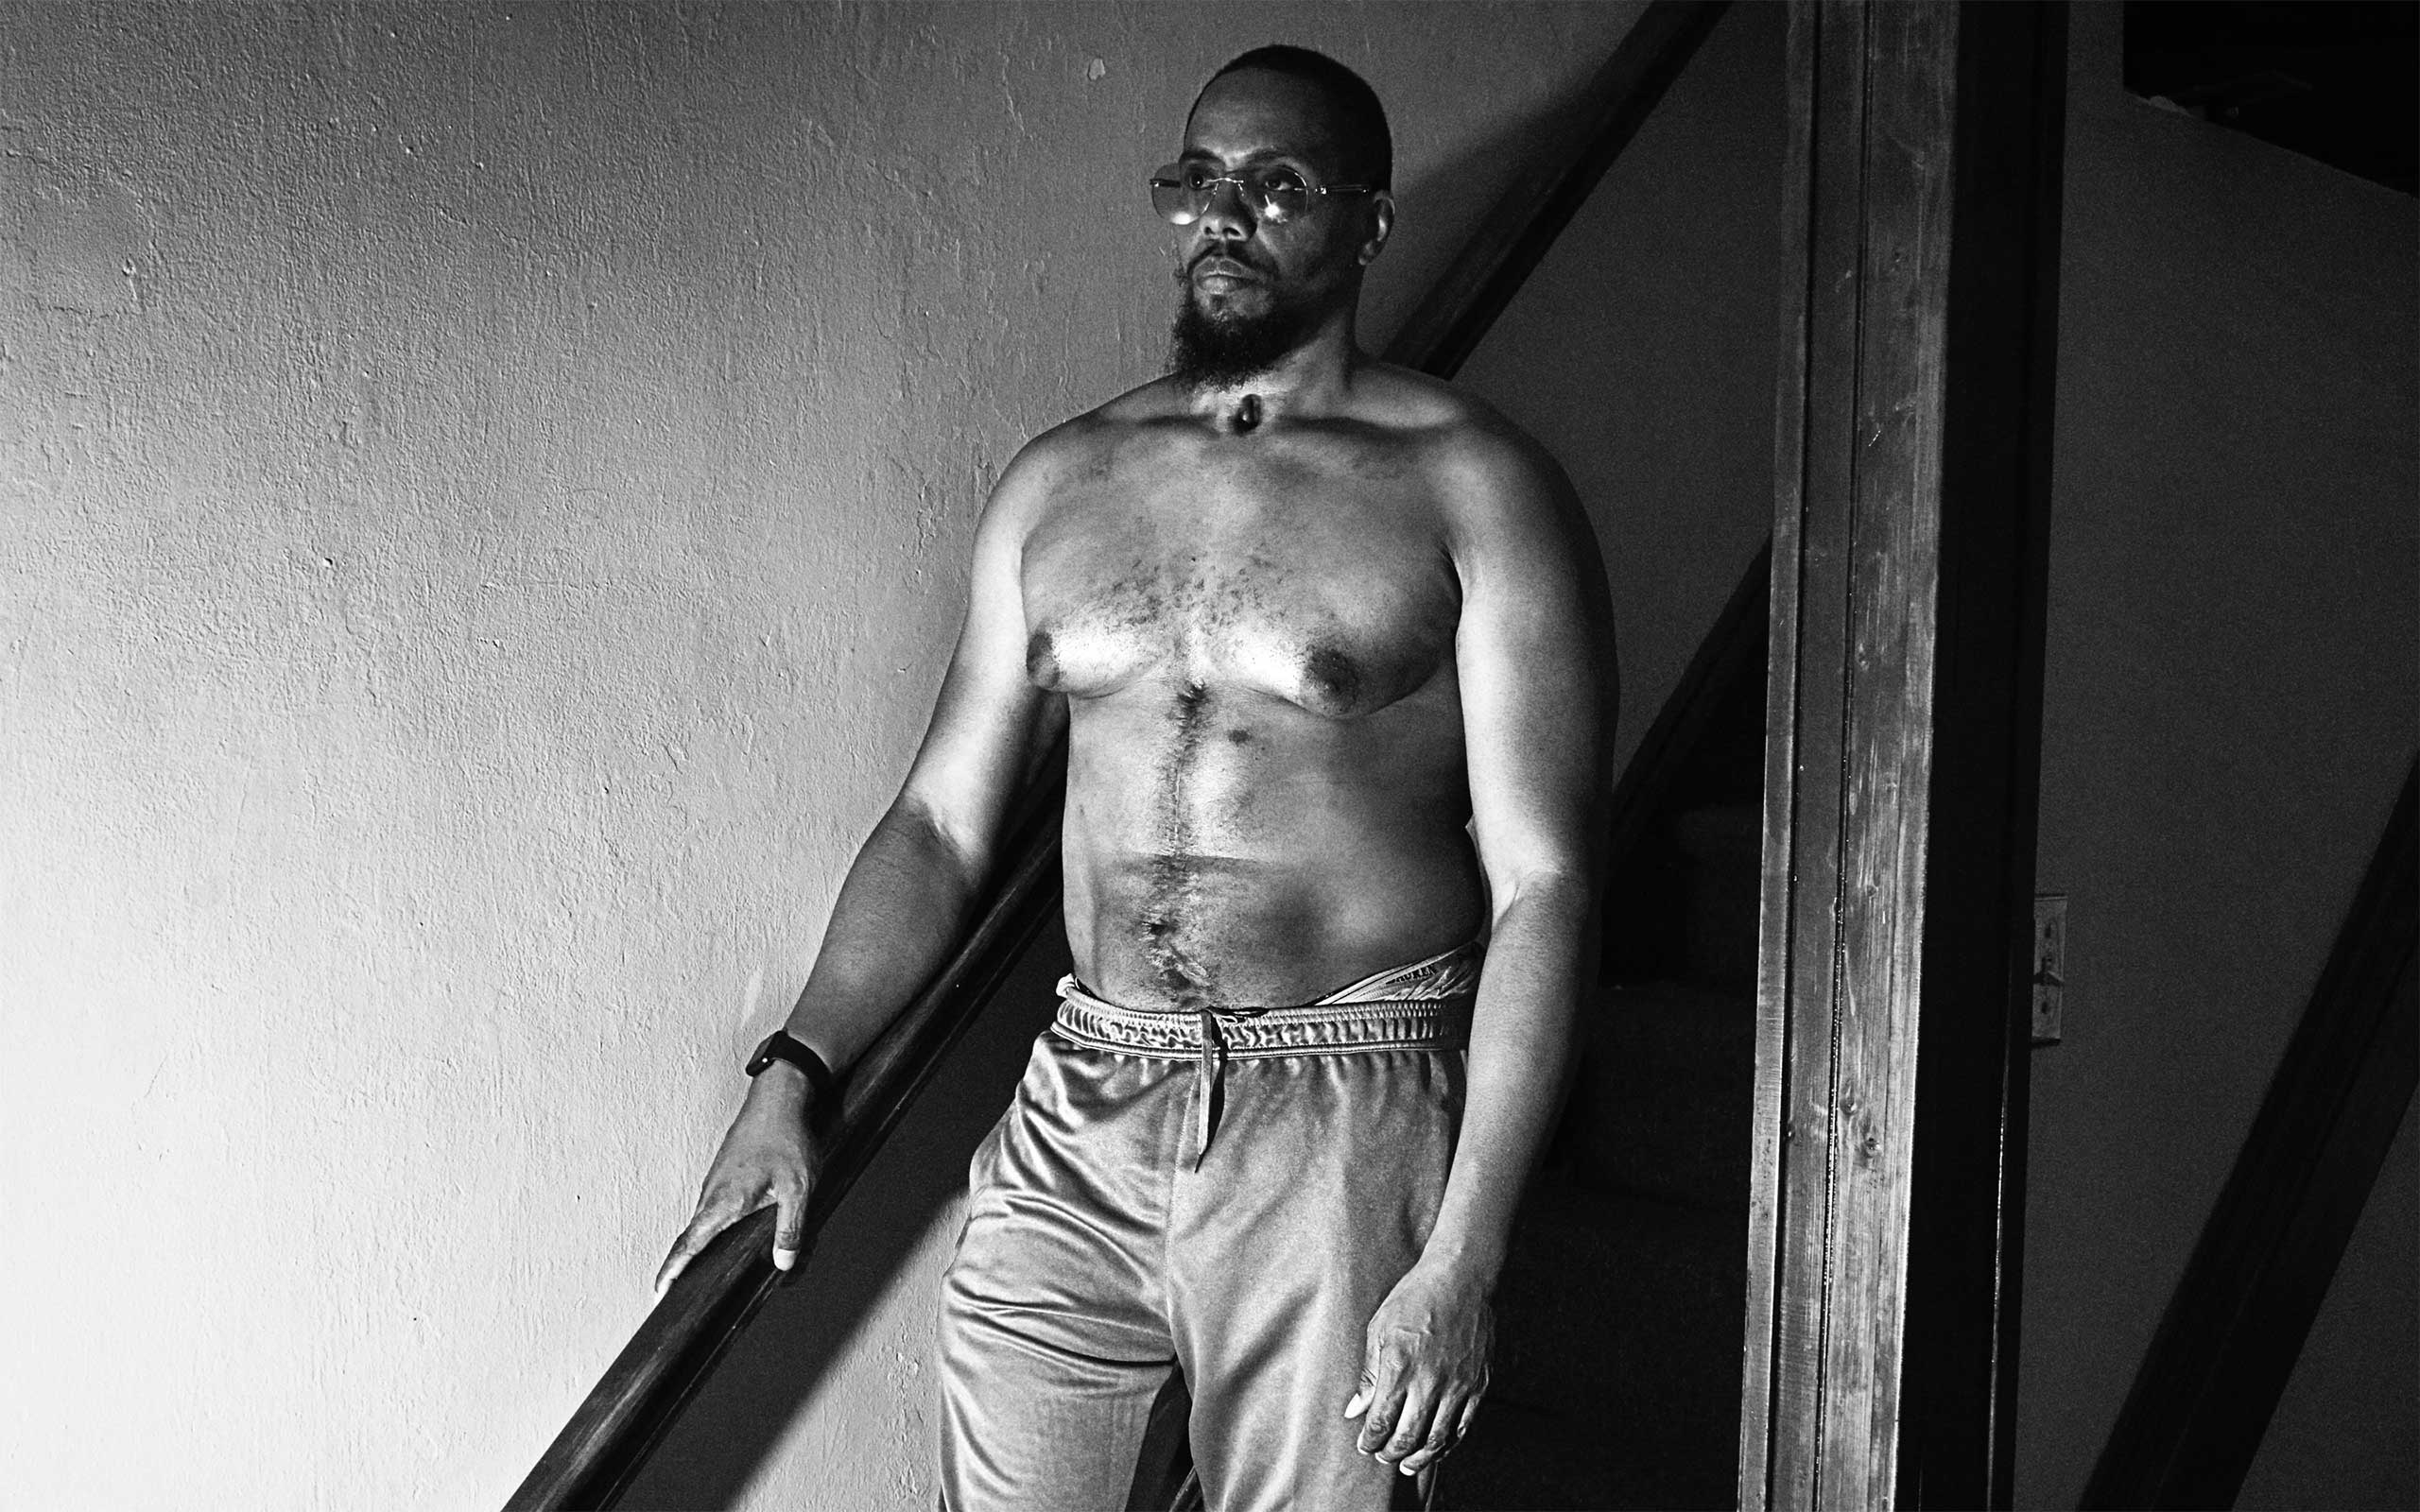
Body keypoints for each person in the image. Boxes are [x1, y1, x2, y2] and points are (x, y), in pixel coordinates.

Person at [655, 43, 1610, 1512]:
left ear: (1367, 222)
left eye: (1276, 185)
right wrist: (798, 1071)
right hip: (1084, 1090)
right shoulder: (1061, 481)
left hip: (1339, 1105)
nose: (1224, 215)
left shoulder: (1472, 484)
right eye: (1198, 181)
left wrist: (1465, 1255)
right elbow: (938, 823)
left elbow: (1545, 881)